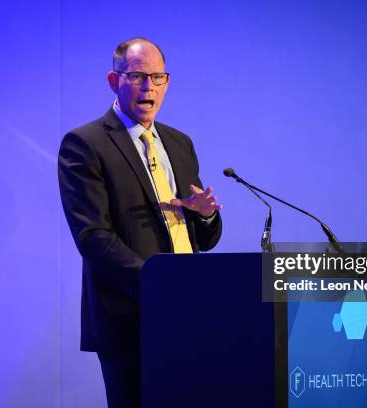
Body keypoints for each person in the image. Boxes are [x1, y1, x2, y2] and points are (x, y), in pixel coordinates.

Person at [57, 37, 223, 408]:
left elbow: (203, 238)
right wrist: (159, 282)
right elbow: (92, 236)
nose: (149, 86)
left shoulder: (180, 144)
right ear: (114, 81)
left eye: (158, 77)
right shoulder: (85, 144)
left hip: (190, 310)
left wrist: (206, 214)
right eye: (137, 76)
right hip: (131, 316)